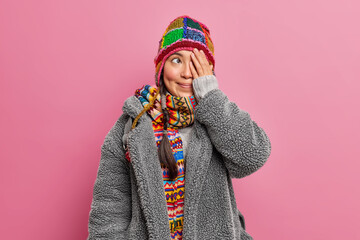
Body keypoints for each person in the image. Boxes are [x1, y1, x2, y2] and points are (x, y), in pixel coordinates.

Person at [87, 15, 271, 240]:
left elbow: (252, 156)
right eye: (177, 60)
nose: (187, 73)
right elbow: (108, 211)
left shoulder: (218, 117)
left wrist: (211, 95)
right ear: (162, 68)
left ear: (208, 70)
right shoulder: (133, 125)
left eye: (196, 62)